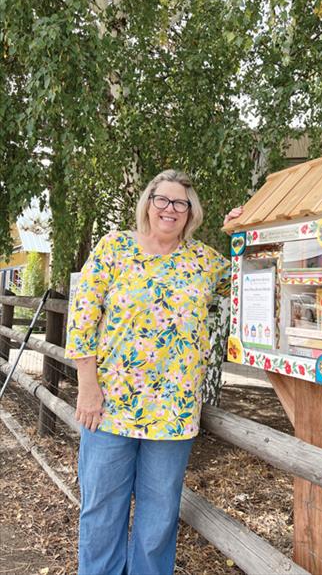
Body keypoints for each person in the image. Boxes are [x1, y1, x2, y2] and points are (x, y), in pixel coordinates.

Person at [65, 169, 243, 575]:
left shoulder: (205, 262)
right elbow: (82, 320)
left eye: (180, 203)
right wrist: (87, 387)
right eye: (162, 199)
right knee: (101, 510)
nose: (170, 209)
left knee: (159, 516)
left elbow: (252, 279)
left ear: (191, 212)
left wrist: (244, 231)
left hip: (174, 412)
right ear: (147, 203)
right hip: (110, 406)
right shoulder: (114, 248)